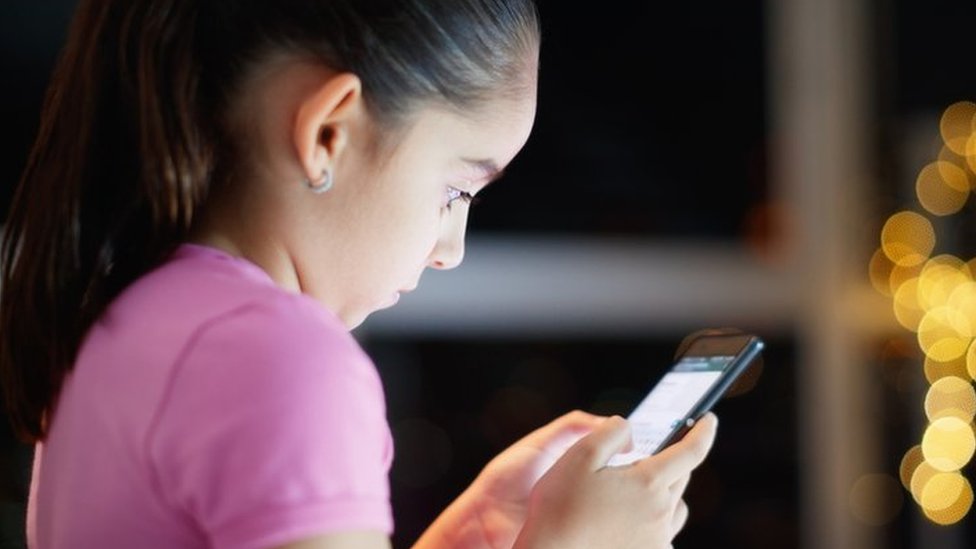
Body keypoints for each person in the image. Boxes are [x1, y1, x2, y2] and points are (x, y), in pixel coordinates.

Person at [0, 1, 719, 548]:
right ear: (328, 132)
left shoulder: (123, 318)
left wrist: (458, 536)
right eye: (455, 190)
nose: (451, 248)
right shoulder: (281, 357)